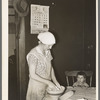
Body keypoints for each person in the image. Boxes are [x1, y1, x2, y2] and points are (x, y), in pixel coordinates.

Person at [26, 32, 61, 100]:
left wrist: (55, 82)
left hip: (46, 85)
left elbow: (50, 68)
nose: (50, 48)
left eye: (52, 45)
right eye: (49, 45)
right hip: (36, 87)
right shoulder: (33, 55)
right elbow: (32, 75)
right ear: (42, 43)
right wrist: (49, 82)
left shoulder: (47, 52)